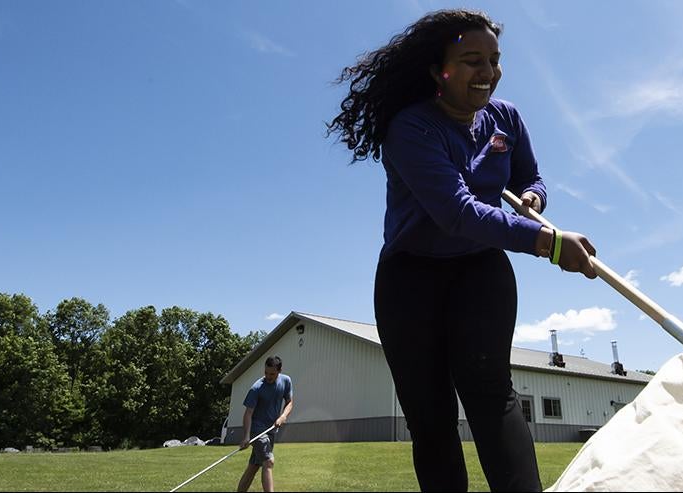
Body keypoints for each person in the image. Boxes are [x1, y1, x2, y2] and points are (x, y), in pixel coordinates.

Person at [327, 9, 598, 492]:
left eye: (494, 60)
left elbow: (528, 177)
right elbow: (457, 212)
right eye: (472, 60)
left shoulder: (506, 118)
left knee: (491, 393)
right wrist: (548, 243)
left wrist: (534, 196)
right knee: (429, 414)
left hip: (480, 269)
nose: (488, 72)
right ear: (438, 70)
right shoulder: (411, 129)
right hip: (411, 279)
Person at [236, 356, 294, 493]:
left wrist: (283, 416)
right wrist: (246, 437)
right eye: (266, 373)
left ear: (279, 371)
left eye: (272, 374)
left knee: (254, 466)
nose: (268, 376)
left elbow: (290, 402)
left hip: (271, 430)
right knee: (268, 461)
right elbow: (248, 413)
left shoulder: (286, 381)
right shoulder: (257, 388)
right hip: (257, 430)